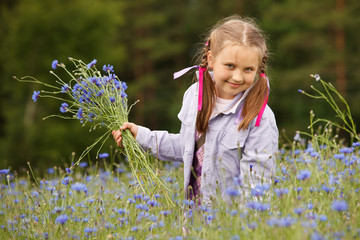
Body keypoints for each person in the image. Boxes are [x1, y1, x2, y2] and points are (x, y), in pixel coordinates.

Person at [112, 15, 278, 207]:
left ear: (258, 70)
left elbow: (257, 187)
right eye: (230, 66)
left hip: (230, 224)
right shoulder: (194, 96)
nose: (238, 76)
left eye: (248, 69)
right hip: (192, 221)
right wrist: (141, 137)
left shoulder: (260, 117)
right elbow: (185, 147)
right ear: (211, 59)